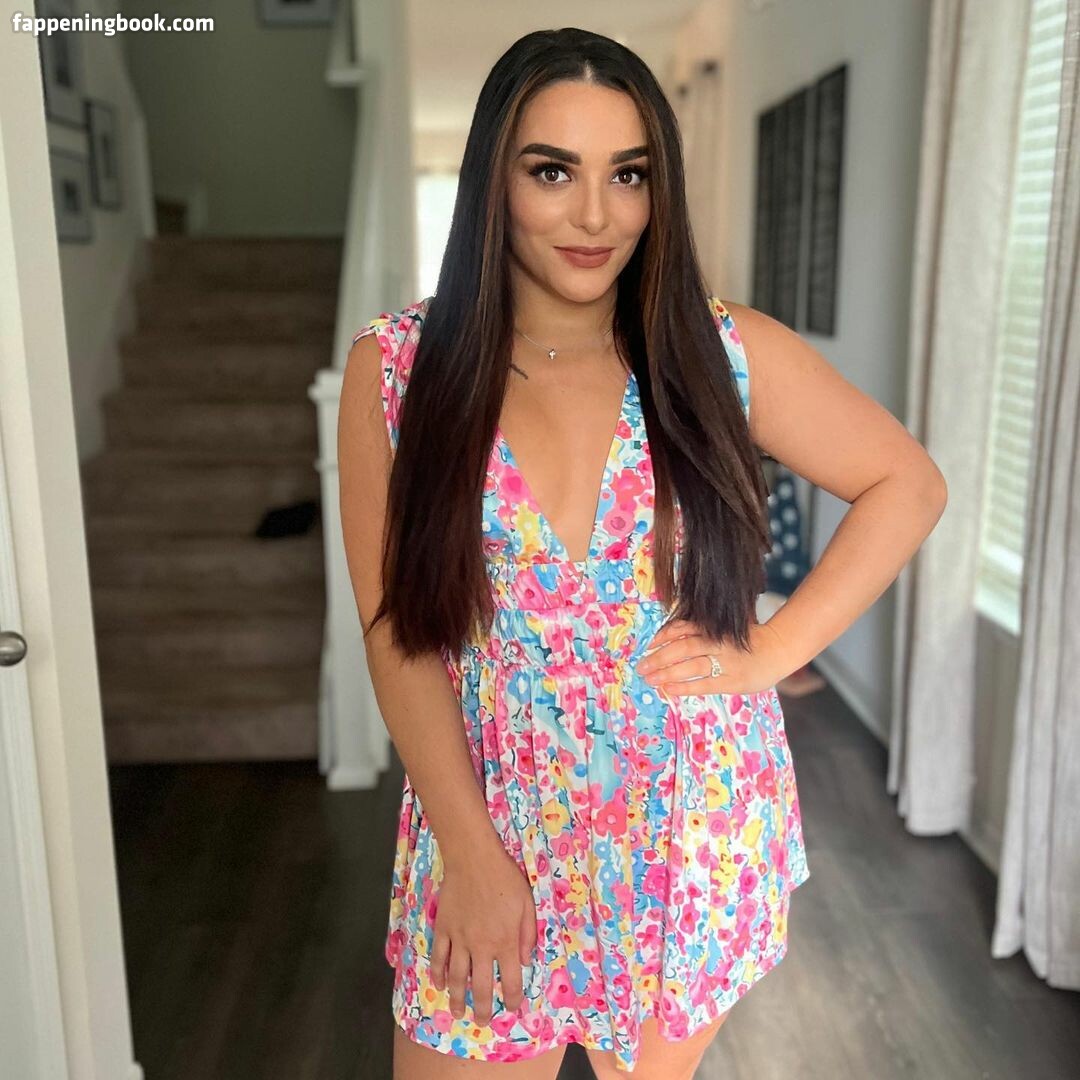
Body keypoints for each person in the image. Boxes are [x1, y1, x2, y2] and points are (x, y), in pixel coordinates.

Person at [338, 27, 946, 1080]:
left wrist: (772, 650)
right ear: (493, 181)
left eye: (629, 174)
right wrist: (471, 857)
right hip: (492, 812)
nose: (596, 215)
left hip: (685, 828)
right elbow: (399, 634)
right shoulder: (398, 370)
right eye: (552, 172)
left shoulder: (718, 351)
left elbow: (909, 484)